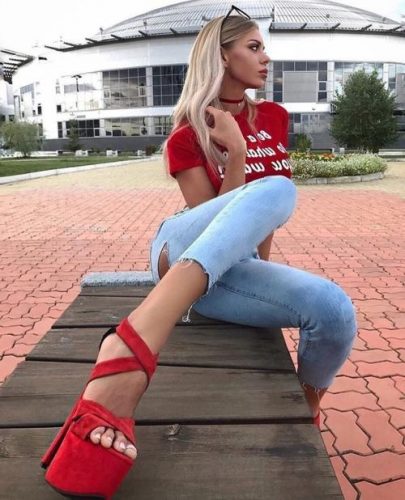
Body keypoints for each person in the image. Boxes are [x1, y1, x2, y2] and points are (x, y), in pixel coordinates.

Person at [41, 6, 357, 498]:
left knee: (335, 310)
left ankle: (302, 407)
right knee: (276, 187)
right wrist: (237, 156)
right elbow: (213, 221)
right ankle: (138, 340)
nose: (266, 58)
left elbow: (255, 223)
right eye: (254, 47)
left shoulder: (274, 118)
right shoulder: (187, 134)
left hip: (227, 274)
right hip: (180, 248)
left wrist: (261, 279)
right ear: (223, 56)